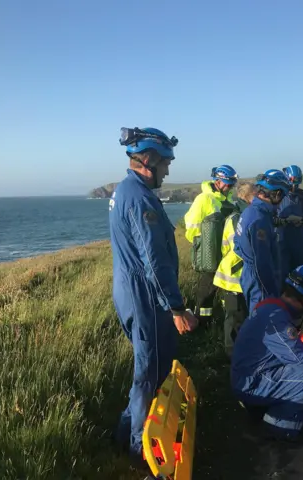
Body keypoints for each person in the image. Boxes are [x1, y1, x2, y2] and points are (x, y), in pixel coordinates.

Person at [109, 127, 198, 465]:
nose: (169, 170)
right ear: (148, 160)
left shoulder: (127, 190)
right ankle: (139, 454)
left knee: (149, 369)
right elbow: (154, 261)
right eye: (165, 163)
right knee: (150, 373)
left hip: (135, 292)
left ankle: (123, 435)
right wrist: (175, 307)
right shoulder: (141, 198)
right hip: (144, 296)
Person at [231, 265, 303, 441]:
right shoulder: (277, 320)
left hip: (249, 375)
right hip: (253, 383)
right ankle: (278, 429)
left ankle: (261, 410)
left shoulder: (270, 306)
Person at [184, 165, 238, 321]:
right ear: (218, 181)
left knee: (224, 286)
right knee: (207, 288)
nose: (230, 188)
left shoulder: (227, 199)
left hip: (226, 252)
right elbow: (191, 226)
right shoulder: (204, 199)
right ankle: (202, 320)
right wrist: (204, 243)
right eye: (228, 184)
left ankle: (222, 317)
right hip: (210, 252)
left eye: (232, 184)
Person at [234, 169, 290, 313]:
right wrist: (271, 292)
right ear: (277, 194)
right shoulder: (260, 220)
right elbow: (262, 263)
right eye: (282, 196)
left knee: (256, 317)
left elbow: (237, 246)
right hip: (260, 281)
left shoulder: (249, 211)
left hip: (249, 275)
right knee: (264, 320)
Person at [213, 182, 257, 356]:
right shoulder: (239, 218)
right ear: (246, 197)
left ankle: (241, 353)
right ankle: (232, 359)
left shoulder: (236, 216)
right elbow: (239, 248)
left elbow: (225, 248)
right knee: (234, 320)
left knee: (239, 319)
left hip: (236, 276)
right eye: (255, 196)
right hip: (234, 278)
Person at [277, 165, 303, 278]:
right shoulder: (277, 195)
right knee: (282, 269)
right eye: (292, 183)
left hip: (299, 238)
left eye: (297, 184)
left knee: (300, 270)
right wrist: (281, 221)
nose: (294, 186)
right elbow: (270, 215)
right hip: (281, 238)